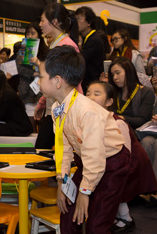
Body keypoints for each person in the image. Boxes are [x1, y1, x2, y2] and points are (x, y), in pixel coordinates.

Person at [38, 45, 130, 234]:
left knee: (97, 222)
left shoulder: (86, 111)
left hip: (113, 163)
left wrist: (85, 191)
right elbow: (63, 149)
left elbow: (95, 155)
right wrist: (62, 182)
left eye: (40, 77)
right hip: (88, 162)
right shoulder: (58, 107)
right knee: (68, 211)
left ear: (57, 81)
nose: (38, 81)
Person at [86, 81, 157, 233]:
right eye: (88, 93)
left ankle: (125, 220)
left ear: (109, 101)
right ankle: (123, 218)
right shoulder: (93, 120)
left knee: (117, 191)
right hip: (111, 164)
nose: (90, 97)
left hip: (128, 163)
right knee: (116, 193)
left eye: (96, 94)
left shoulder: (117, 123)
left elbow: (126, 152)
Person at [35, 2, 81, 149]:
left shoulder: (66, 46)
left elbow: (68, 81)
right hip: (54, 107)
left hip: (65, 108)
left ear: (54, 21)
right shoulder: (55, 44)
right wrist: (43, 103)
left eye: (43, 20)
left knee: (55, 152)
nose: (40, 24)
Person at [0, 70, 33, 148]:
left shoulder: (8, 94)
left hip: (20, 127)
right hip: (9, 123)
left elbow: (0, 115)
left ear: (0, 81)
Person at [17, 22, 48, 132]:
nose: (29, 36)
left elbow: (48, 69)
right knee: (29, 124)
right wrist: (34, 73)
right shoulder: (22, 50)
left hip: (42, 91)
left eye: (33, 33)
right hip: (26, 90)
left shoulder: (46, 51)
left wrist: (37, 63)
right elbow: (20, 69)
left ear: (39, 35)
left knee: (41, 123)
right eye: (27, 33)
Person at [108, 57, 154, 129]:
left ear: (128, 72)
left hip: (137, 131)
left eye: (118, 73)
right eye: (112, 75)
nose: (115, 77)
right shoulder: (114, 92)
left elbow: (141, 120)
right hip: (115, 130)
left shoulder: (146, 92)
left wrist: (121, 118)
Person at [75, 6, 105, 93]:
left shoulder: (94, 39)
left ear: (89, 22)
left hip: (92, 85)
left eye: (79, 19)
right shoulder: (87, 38)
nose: (76, 22)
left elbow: (80, 60)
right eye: (75, 19)